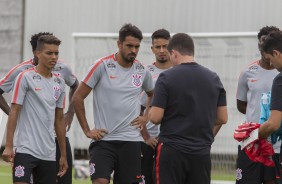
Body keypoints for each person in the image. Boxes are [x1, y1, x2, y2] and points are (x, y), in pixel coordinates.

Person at [72, 23, 154, 184]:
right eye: (129, 46)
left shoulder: (142, 70)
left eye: (137, 47)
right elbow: (77, 97)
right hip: (104, 140)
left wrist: (146, 117)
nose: (133, 50)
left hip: (131, 141)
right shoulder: (102, 66)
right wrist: (87, 130)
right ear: (119, 44)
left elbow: (153, 94)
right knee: (100, 181)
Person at [149, 33, 228, 184]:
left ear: (174, 53)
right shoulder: (213, 78)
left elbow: (155, 117)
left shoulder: (166, 77)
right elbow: (222, 118)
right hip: (201, 151)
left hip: (172, 150)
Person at [0, 32, 78, 184]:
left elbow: (61, 113)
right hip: (27, 146)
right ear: (36, 52)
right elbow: (15, 110)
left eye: (56, 53)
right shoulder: (23, 74)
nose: (54, 57)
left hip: (50, 146)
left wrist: (70, 114)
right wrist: (9, 144)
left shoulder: (60, 79)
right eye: (49, 53)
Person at [235, 26, 280, 184]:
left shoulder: (279, 73)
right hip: (251, 143)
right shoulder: (248, 71)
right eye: (263, 40)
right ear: (260, 45)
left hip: (276, 144)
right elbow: (242, 104)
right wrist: (256, 122)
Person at [139, 28, 172, 184]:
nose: (162, 50)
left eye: (165, 46)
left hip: (172, 141)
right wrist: (146, 136)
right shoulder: (146, 73)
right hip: (149, 142)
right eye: (157, 47)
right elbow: (138, 108)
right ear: (152, 49)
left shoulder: (179, 71)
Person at [259, 30, 282, 184]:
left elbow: (273, 123)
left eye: (269, 59)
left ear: (276, 53)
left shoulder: (280, 80)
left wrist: (254, 135)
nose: (271, 65)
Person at [259, 91, 282, 183]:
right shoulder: (266, 97)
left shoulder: (267, 97)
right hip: (272, 149)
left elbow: (270, 124)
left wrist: (254, 134)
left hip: (272, 148)